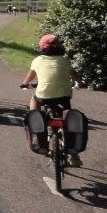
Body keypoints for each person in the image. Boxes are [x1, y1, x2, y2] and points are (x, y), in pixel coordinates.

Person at [21, 34, 84, 165]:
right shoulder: (64, 60)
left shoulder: (38, 60)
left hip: (43, 95)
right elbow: (74, 75)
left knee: (34, 99)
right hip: (64, 95)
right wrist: (79, 81)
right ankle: (74, 156)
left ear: (42, 47)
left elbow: (30, 76)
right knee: (68, 119)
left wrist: (25, 83)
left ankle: (35, 118)